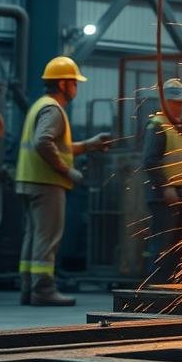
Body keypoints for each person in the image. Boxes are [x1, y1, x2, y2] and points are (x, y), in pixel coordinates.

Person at [14, 56, 109, 306]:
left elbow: (59, 146)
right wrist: (66, 171)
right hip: (46, 183)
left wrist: (88, 145)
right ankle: (43, 290)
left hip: (29, 180)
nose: (76, 88)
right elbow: (43, 141)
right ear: (64, 84)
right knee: (48, 237)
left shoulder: (40, 105)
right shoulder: (53, 110)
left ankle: (28, 288)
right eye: (75, 83)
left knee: (34, 236)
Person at [143, 78, 182, 284]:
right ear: (164, 103)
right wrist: (166, 186)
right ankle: (157, 288)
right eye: (174, 102)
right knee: (164, 246)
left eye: (181, 102)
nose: (179, 106)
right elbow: (150, 160)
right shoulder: (158, 126)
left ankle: (176, 288)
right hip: (166, 197)